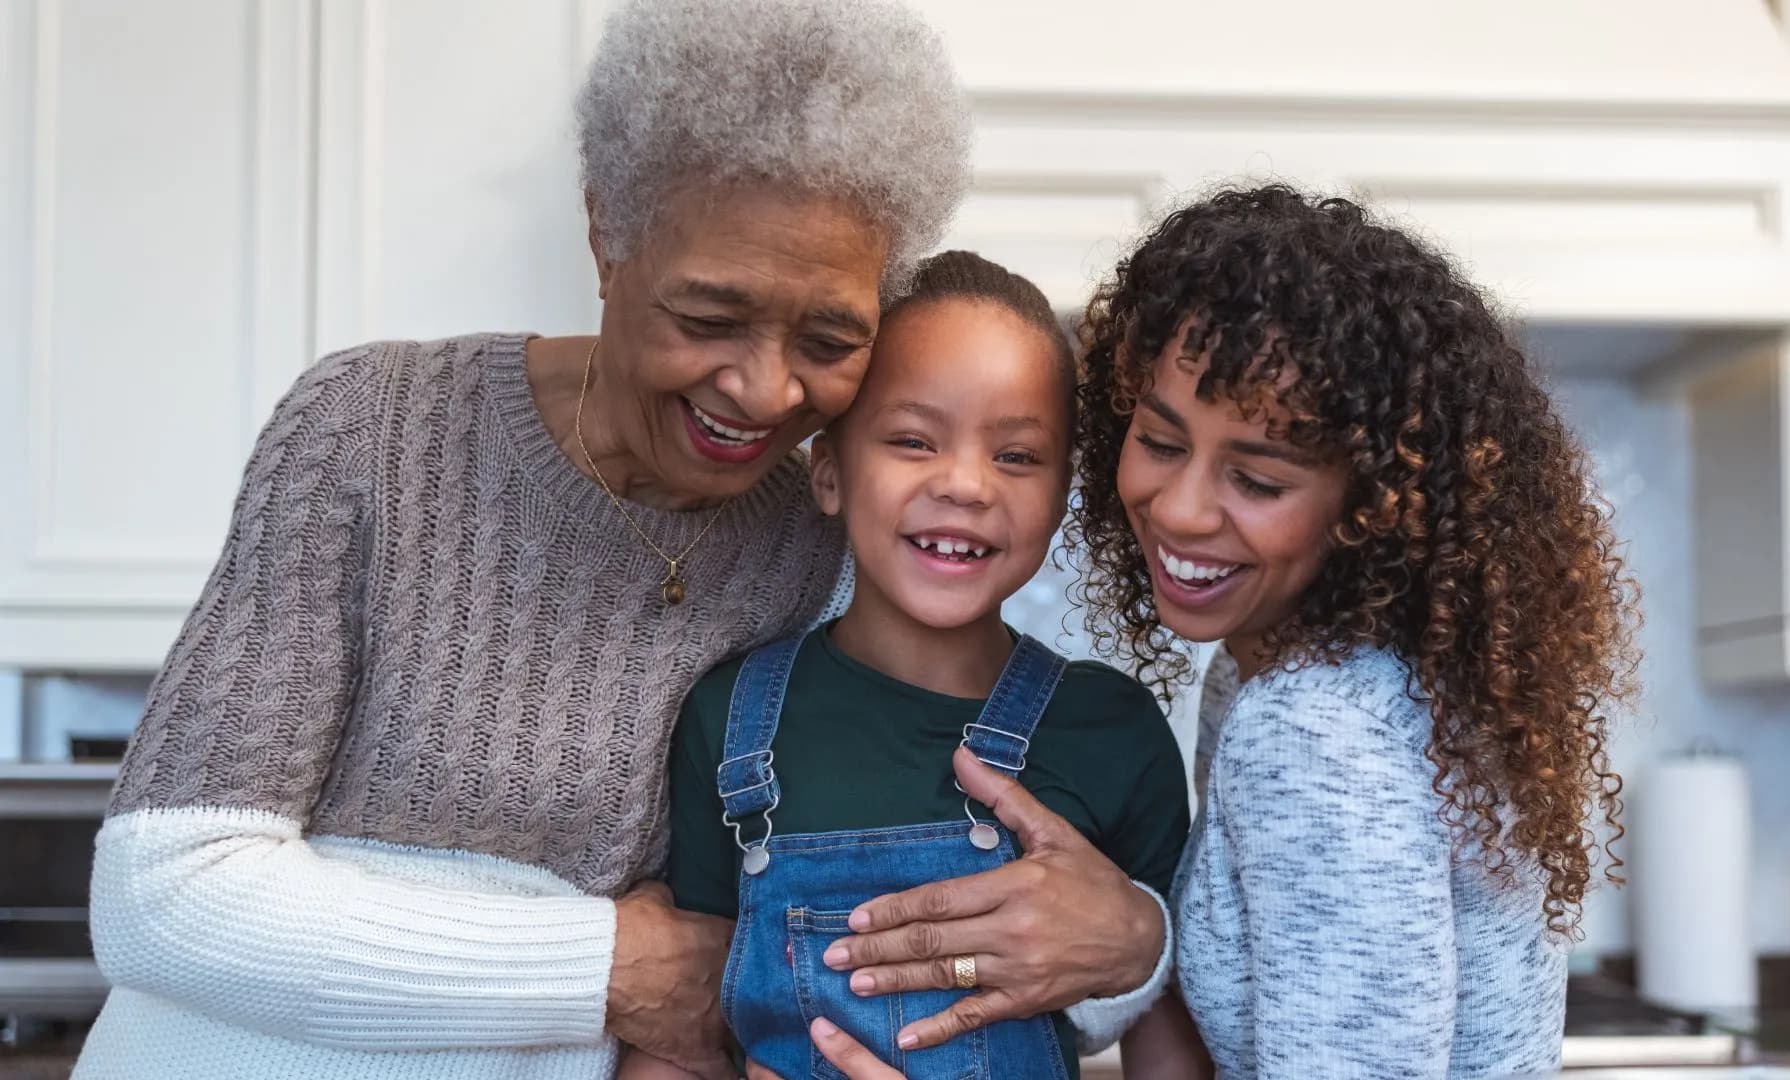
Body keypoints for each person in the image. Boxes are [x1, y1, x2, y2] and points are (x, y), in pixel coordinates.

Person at [74, 5, 1168, 1078]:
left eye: (828, 338)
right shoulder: (372, 430)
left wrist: (1130, 944)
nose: (764, 388)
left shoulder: (812, 537)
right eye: (709, 318)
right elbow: (163, 896)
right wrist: (611, 963)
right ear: (608, 235)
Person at [1065, 182, 1643, 1078]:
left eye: (1256, 480)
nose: (1178, 509)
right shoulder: (1306, 673)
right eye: (1161, 441)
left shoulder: (1310, 727)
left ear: (1366, 508)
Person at [622, 252, 1191, 1080]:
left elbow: (1169, 1031)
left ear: (1066, 486)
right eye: (913, 440)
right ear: (829, 471)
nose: (964, 484)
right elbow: (677, 1030)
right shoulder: (729, 715)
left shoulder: (1112, 731)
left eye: (1018, 456)